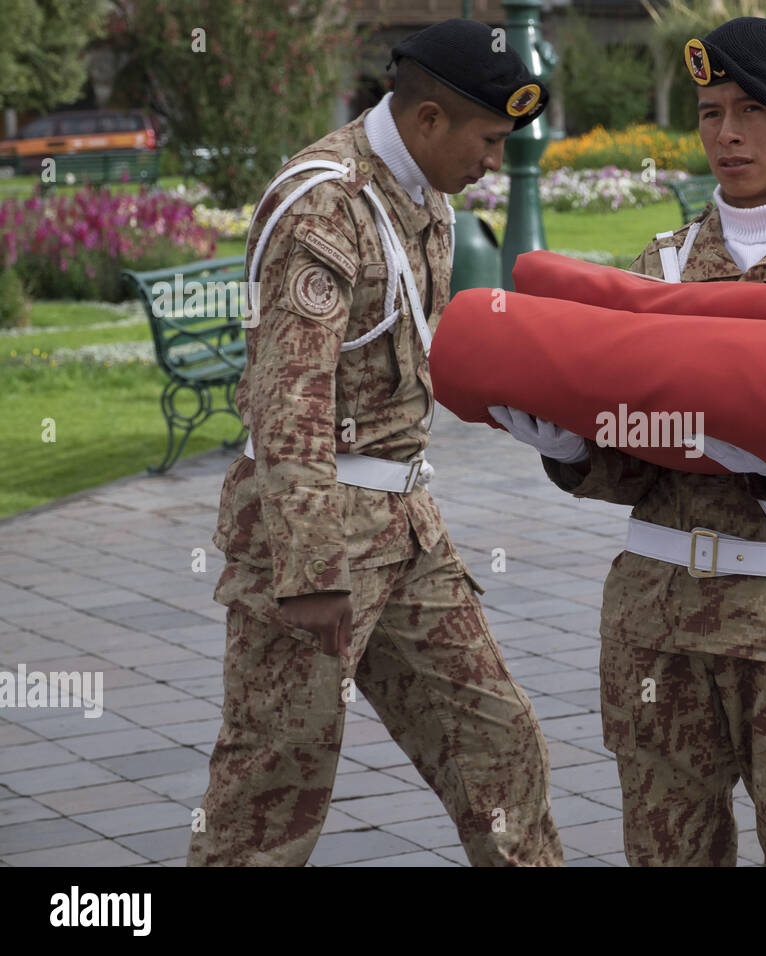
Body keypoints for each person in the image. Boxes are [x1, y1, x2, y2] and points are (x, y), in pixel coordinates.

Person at [494, 17, 766, 867]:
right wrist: (571, 449)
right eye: (710, 112)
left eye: (750, 112)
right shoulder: (663, 264)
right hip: (659, 619)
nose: (726, 134)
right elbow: (628, 466)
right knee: (666, 853)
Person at [189, 19, 564, 867]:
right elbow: (291, 398)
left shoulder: (417, 186)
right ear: (429, 118)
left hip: (403, 529)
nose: (493, 163)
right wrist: (311, 574)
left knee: (499, 745)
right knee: (271, 794)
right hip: (313, 543)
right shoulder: (325, 203)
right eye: (489, 140)